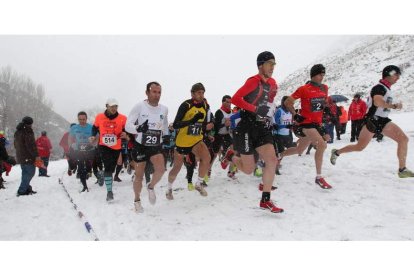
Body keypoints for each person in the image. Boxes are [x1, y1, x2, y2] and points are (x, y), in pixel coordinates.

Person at [221, 51, 283, 213]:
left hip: (261, 126)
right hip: (246, 127)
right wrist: (256, 108)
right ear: (260, 65)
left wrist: (270, 106)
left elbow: (268, 101)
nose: (272, 67)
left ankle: (265, 200)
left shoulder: (273, 83)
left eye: (274, 64)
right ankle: (231, 156)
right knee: (248, 170)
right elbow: (236, 99)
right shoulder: (253, 82)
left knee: (272, 160)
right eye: (270, 64)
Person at [330, 65, 414, 178]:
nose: (398, 78)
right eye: (396, 75)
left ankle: (402, 169)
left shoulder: (386, 88)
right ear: (388, 74)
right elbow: (377, 102)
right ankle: (336, 152)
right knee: (360, 147)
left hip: (381, 121)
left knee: (403, 139)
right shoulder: (379, 87)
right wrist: (394, 106)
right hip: (373, 120)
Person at [284, 64, 333, 189]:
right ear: (313, 75)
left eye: (323, 75)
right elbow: (287, 102)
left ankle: (280, 155)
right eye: (320, 75)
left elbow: (323, 103)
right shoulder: (303, 89)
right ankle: (319, 177)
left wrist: (325, 108)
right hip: (305, 124)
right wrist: (295, 114)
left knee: (299, 150)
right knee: (322, 144)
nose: (322, 77)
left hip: (317, 124)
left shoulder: (325, 88)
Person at [125, 82, 169, 212]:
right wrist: (138, 128)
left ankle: (151, 186)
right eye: (154, 92)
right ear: (147, 93)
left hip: (155, 145)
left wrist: (166, 135)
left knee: (161, 170)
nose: (157, 95)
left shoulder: (164, 109)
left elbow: (165, 124)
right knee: (139, 175)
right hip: (141, 145)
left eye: (159, 92)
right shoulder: (139, 106)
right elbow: (128, 125)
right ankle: (137, 200)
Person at [166, 82, 212, 199]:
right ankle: (169, 188)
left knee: (207, 158)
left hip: (196, 139)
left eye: (202, 93)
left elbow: (202, 124)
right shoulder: (186, 105)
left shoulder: (205, 106)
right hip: (183, 141)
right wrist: (191, 121)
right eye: (198, 93)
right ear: (192, 93)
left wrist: (207, 128)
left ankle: (199, 183)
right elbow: (176, 124)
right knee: (177, 167)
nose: (201, 95)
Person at [90, 98, 127, 201]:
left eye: (116, 106)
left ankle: (105, 176)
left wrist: (126, 134)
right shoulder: (99, 117)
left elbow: (127, 129)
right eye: (112, 106)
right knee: (108, 167)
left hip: (116, 147)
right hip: (103, 145)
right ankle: (109, 192)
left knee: (112, 168)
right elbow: (94, 127)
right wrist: (93, 135)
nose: (114, 108)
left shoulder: (123, 118)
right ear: (107, 106)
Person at [14, 116, 43, 196]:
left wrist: (19, 152)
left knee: (25, 173)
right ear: (30, 123)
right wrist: (36, 155)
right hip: (28, 157)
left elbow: (15, 144)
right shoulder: (27, 131)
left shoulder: (18, 131)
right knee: (30, 173)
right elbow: (31, 145)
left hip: (20, 156)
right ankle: (22, 190)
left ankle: (26, 188)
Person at [69, 111, 94, 192]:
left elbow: (97, 137)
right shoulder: (74, 128)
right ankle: (84, 186)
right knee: (81, 167)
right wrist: (72, 146)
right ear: (78, 119)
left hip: (89, 150)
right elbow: (70, 138)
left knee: (88, 167)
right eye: (80, 119)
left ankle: (88, 172)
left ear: (86, 119)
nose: (82, 121)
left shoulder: (91, 127)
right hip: (78, 150)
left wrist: (93, 145)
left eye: (83, 119)